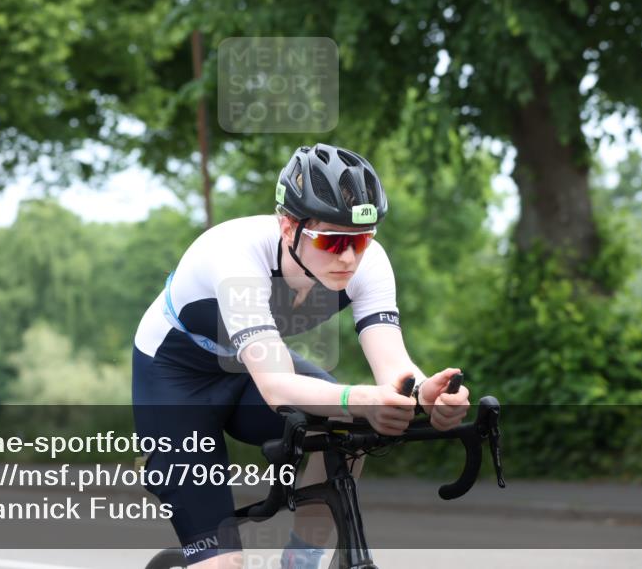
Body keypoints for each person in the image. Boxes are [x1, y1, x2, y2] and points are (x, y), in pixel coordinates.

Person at [132, 143, 470, 568]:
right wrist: (365, 397)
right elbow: (275, 386)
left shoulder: (369, 263)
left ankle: (300, 560)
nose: (348, 257)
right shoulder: (236, 257)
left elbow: (394, 366)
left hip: (247, 366)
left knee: (349, 423)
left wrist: (425, 393)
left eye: (361, 239)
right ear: (288, 226)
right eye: (331, 241)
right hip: (175, 378)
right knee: (224, 565)